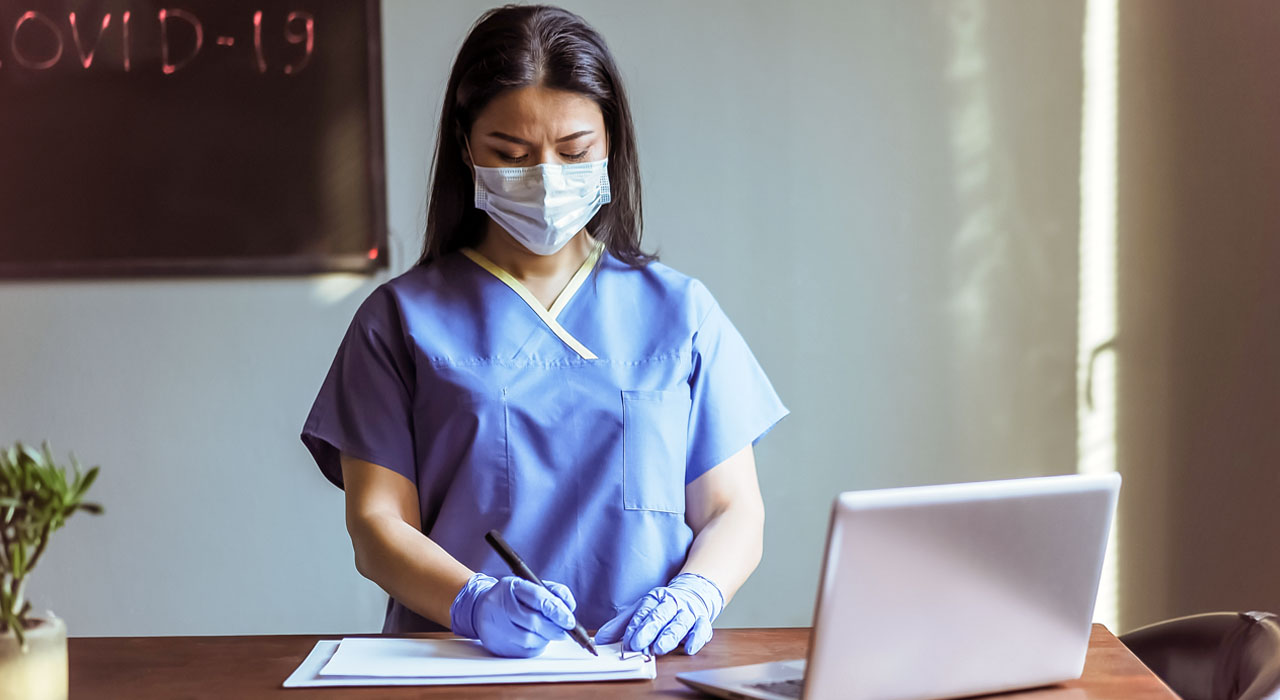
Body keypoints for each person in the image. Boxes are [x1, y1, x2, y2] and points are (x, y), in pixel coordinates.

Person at [300, 3, 788, 659]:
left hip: (642, 666)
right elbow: (376, 524)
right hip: (459, 665)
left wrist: (698, 590)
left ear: (612, 144)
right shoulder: (400, 322)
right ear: (465, 144)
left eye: (574, 150)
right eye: (512, 153)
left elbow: (734, 511)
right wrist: (471, 602)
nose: (547, 177)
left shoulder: (681, 312)